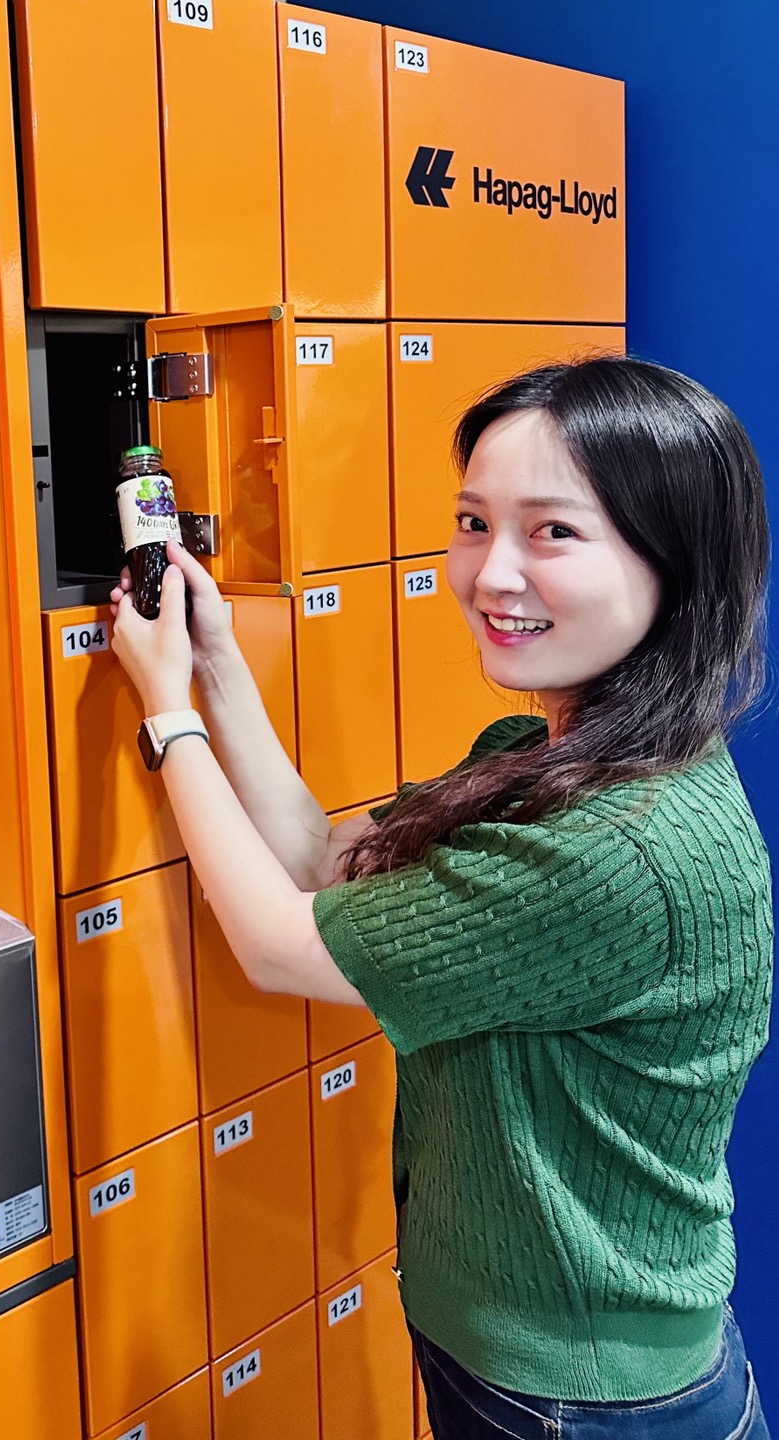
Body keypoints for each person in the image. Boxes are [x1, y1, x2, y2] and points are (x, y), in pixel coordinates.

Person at [110, 356, 773, 1439]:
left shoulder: (618, 846)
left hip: (580, 1394)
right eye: (474, 522)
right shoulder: (549, 756)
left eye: (552, 533)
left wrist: (165, 709)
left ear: (676, 560)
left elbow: (279, 947)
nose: (491, 575)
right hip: (545, 1355)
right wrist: (218, 663)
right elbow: (329, 862)